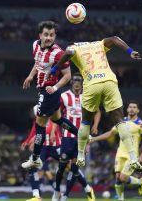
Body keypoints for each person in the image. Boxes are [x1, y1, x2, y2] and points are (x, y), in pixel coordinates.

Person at [51, 36, 142, 174]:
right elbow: (115, 38)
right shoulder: (97, 44)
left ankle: (81, 155)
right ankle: (133, 158)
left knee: (86, 122)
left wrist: (54, 69)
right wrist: (130, 51)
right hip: (109, 81)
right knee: (119, 121)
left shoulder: (74, 47)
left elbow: (69, 53)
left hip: (92, 83)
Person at [22, 21, 79, 170]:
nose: (48, 38)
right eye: (46, 34)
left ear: (55, 36)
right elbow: (37, 62)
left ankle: (35, 158)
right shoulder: (35, 45)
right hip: (43, 89)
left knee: (39, 123)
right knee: (58, 119)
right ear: (40, 35)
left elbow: (67, 76)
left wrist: (55, 87)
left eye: (52, 35)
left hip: (49, 91)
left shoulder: (59, 53)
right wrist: (30, 76)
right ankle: (82, 135)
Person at [53, 72, 101, 201]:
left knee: (75, 168)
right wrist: (55, 131)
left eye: (79, 81)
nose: (77, 83)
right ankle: (57, 190)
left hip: (82, 138)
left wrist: (95, 126)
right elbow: (56, 115)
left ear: (82, 83)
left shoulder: (88, 97)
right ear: (71, 82)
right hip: (67, 136)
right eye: (75, 81)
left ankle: (65, 196)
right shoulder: (64, 96)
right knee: (62, 166)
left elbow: (97, 111)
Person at [90, 101, 142, 199]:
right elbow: (110, 134)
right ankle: (121, 199)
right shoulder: (121, 122)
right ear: (127, 109)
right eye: (130, 107)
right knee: (118, 178)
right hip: (120, 153)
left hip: (132, 155)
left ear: (138, 110)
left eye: (134, 107)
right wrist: (94, 139)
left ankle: (140, 182)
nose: (132, 109)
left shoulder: (141, 125)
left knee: (123, 178)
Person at [21, 106, 61, 201]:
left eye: (37, 115)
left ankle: (86, 188)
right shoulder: (37, 122)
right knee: (36, 169)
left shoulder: (53, 119)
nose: (36, 117)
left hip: (55, 146)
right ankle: (37, 196)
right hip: (43, 148)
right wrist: (27, 142)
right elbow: (34, 132)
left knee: (70, 165)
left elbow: (44, 132)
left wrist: (31, 141)